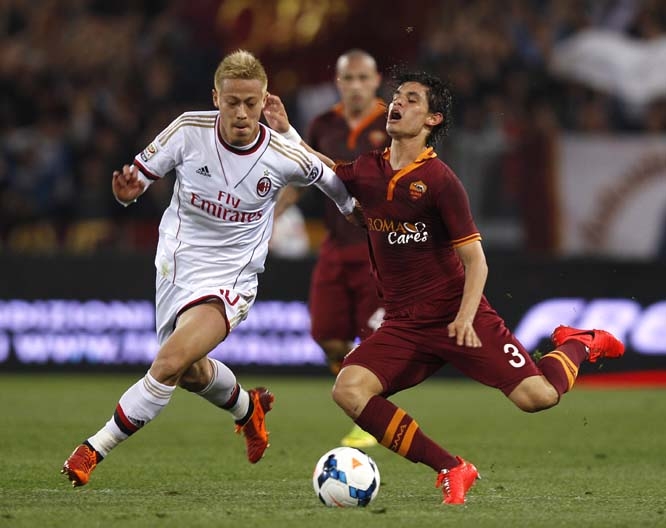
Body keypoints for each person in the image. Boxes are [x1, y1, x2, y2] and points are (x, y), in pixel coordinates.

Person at [263, 70, 625, 505]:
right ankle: (452, 468)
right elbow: (320, 167)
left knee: (538, 397)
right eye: (396, 97)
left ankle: (580, 342)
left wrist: (467, 316)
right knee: (348, 388)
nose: (397, 104)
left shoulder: (440, 181)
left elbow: (476, 261)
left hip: (456, 315)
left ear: (433, 119)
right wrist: (285, 131)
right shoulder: (368, 170)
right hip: (403, 323)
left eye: (412, 99)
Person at [61, 49, 361, 487]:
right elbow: (137, 181)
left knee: (168, 363)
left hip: (230, 280)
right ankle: (248, 409)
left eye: (251, 103)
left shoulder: (283, 154)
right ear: (215, 97)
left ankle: (92, 449)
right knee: (191, 372)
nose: (242, 114)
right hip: (175, 267)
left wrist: (364, 212)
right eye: (233, 102)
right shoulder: (187, 130)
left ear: (264, 101)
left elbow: (343, 191)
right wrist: (127, 193)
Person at [275, 49, 390, 449]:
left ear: (376, 81)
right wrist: (272, 212)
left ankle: (368, 417)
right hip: (335, 248)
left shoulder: (394, 123)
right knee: (329, 339)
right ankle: (362, 405)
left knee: (375, 343)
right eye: (349, 79)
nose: (356, 86)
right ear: (339, 83)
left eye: (363, 78)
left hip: (380, 252)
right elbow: (302, 175)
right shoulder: (323, 124)